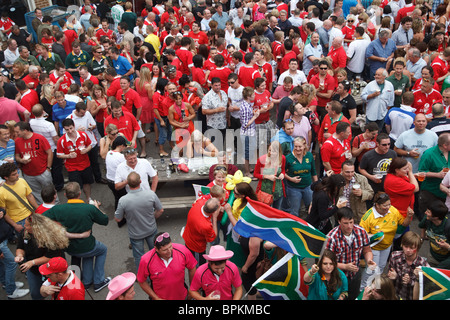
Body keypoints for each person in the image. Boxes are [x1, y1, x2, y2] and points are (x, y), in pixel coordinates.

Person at [43, 182, 111, 292]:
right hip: (87, 245)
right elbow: (105, 220)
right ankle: (99, 281)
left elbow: (41, 219)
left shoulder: (58, 209)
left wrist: (61, 231)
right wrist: (97, 208)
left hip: (70, 248)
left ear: (65, 195)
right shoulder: (89, 208)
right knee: (102, 250)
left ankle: (87, 282)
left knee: (88, 256)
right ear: (79, 193)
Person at [359, 192, 414, 291]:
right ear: (377, 205)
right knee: (371, 269)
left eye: (389, 204)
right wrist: (374, 235)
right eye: (385, 205)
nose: (388, 207)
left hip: (387, 246)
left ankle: (376, 288)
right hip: (373, 248)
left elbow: (403, 224)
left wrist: (409, 217)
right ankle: (363, 289)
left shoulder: (393, 210)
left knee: (381, 267)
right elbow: (361, 236)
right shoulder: (368, 217)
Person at [115, 172, 163, 271]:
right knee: (155, 252)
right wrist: (153, 218)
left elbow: (118, 219)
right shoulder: (150, 194)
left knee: (139, 257)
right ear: (140, 181)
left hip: (135, 234)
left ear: (127, 183)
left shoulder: (123, 200)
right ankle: (157, 271)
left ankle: (143, 277)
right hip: (151, 229)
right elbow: (160, 210)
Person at [14, 213, 69, 300]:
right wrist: (19, 255)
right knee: (36, 294)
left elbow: (50, 256)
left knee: (59, 291)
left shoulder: (51, 237)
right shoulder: (25, 233)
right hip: (34, 269)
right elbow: (20, 247)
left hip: (52, 269)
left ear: (36, 228)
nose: (24, 226)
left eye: (27, 225)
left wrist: (32, 262)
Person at [326, 207, 374, 300]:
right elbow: (326, 262)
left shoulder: (361, 231)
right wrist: (345, 266)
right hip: (337, 277)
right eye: (345, 223)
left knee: (354, 297)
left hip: (355, 275)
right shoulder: (331, 237)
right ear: (339, 221)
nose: (349, 226)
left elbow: (367, 250)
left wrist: (369, 260)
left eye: (351, 222)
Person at [137, 232, 197, 300]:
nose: (169, 251)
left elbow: (192, 267)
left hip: (182, 296)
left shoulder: (182, 250)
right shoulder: (146, 260)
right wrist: (156, 298)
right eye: (165, 250)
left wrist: (192, 290)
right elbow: (141, 281)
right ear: (156, 249)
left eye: (170, 246)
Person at [56, 118, 96, 204]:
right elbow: (58, 155)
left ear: (74, 126)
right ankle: (78, 202)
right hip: (72, 168)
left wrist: (86, 150)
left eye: (71, 128)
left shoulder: (83, 135)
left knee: (87, 183)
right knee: (75, 188)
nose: (70, 131)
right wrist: (68, 156)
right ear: (64, 129)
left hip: (85, 164)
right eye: (67, 129)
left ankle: (88, 199)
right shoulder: (61, 141)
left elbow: (90, 145)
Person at [13, 121, 53, 206]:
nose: (16, 134)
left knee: (50, 193)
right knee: (37, 195)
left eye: (17, 132)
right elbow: (17, 156)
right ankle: (42, 213)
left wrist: (48, 168)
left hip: (43, 172)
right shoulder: (17, 141)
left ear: (24, 130)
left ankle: (54, 209)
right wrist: (21, 160)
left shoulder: (40, 138)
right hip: (28, 174)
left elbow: (49, 152)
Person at [387, 231, 430, 300]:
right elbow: (389, 279)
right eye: (405, 246)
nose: (408, 250)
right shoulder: (395, 256)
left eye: (412, 248)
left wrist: (411, 282)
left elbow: (426, 288)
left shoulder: (423, 265)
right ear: (402, 245)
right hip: (395, 295)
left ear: (418, 248)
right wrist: (393, 276)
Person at [0, 207, 30, 299]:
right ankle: (11, 291)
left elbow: (2, 209)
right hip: (0, 244)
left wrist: (2, 212)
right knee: (11, 263)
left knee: (2, 265)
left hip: (3, 239)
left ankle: (7, 283)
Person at [0, 162, 37, 235]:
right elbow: (3, 212)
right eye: (14, 174)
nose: (17, 175)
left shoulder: (22, 181)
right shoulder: (1, 192)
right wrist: (15, 225)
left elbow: (29, 196)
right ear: (6, 177)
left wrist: (38, 209)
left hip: (30, 215)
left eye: (17, 173)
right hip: (18, 221)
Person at [284, 136, 318, 217]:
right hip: (293, 188)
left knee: (311, 208)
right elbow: (282, 173)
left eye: (300, 146)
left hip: (308, 187)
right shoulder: (288, 158)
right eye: (295, 146)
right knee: (294, 211)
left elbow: (313, 171)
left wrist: (317, 186)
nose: (298, 149)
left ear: (304, 146)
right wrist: (291, 179)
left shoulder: (309, 156)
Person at [183, 197, 221, 266]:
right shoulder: (206, 226)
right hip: (196, 247)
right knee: (197, 266)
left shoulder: (200, 202)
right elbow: (213, 237)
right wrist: (215, 218)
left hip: (188, 237)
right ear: (214, 212)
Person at [253, 141, 286, 210]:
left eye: (274, 151)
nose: (271, 153)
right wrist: (267, 176)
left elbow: (283, 170)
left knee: (277, 211)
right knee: (265, 212)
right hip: (265, 192)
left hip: (278, 191)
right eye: (270, 150)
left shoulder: (282, 158)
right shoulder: (262, 160)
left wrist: (282, 174)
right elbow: (255, 174)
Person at [418, 201, 450, 269]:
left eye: (428, 212)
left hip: (446, 261)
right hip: (432, 257)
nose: (425, 213)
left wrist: (447, 246)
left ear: (436, 217)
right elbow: (422, 226)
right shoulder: (427, 219)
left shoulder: (448, 226)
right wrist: (422, 236)